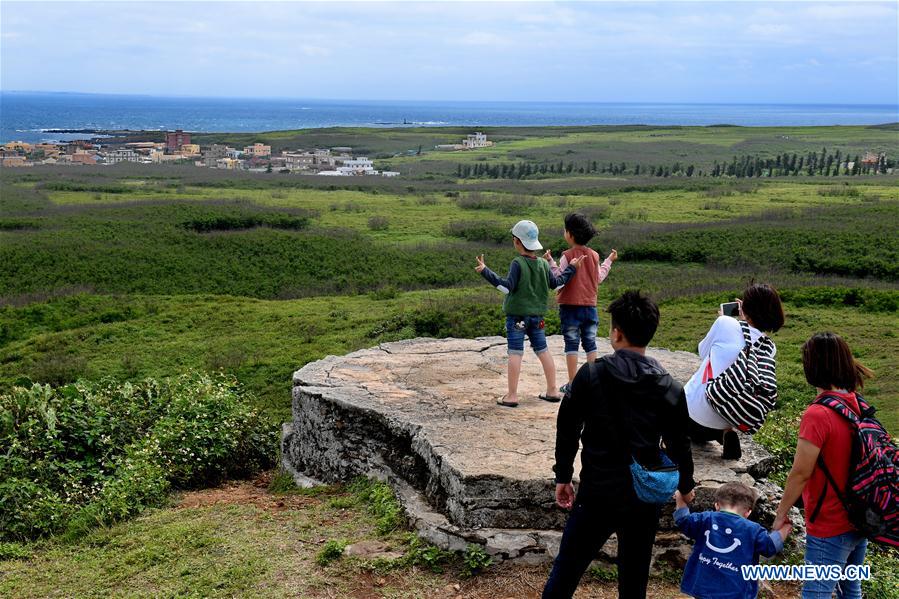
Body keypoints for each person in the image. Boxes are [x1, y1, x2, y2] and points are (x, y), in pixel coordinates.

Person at [543, 290, 695, 598]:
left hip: (597, 490)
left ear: (616, 333)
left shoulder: (591, 375)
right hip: (644, 494)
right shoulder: (669, 386)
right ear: (650, 332)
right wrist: (687, 484)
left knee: (567, 570)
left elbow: (567, 428)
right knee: (634, 579)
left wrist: (563, 476)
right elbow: (680, 443)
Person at [772, 333, 874, 599]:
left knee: (816, 593)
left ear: (813, 367)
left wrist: (781, 514)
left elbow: (801, 473)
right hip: (858, 516)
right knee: (850, 590)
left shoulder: (818, 414)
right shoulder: (856, 403)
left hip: (830, 522)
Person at [476, 219, 583, 407]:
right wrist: (572, 268)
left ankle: (512, 396)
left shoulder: (517, 263)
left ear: (517, 241)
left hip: (517, 318)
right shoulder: (543, 263)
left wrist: (485, 271)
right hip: (538, 318)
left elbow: (506, 288)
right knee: (543, 351)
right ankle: (552, 390)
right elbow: (557, 283)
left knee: (515, 353)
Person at [684, 283, 785, 460]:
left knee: (674, 402)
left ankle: (706, 432)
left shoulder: (725, 323)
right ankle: (724, 432)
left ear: (744, 308)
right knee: (728, 394)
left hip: (692, 416)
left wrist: (726, 319)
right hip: (732, 414)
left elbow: (702, 352)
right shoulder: (769, 347)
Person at [675, 482, 792, 599]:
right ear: (748, 512)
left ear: (717, 505)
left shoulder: (706, 519)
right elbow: (770, 546)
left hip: (703, 589)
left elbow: (683, 520)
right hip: (736, 592)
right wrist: (785, 528)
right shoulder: (753, 530)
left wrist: (680, 496)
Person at [544, 212, 618, 396]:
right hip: (590, 308)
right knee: (590, 344)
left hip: (570, 308)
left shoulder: (567, 255)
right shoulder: (593, 255)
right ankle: (592, 383)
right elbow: (599, 277)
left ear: (570, 234)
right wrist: (609, 260)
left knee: (571, 344)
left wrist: (551, 262)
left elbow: (560, 280)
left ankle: (572, 384)